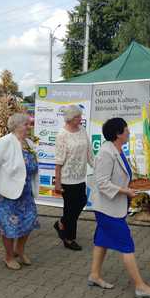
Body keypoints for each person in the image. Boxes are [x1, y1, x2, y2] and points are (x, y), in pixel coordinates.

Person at [88, 117, 150, 298]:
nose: (129, 132)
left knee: (102, 240)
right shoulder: (106, 153)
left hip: (115, 205)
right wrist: (126, 191)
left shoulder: (117, 149)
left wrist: (136, 186)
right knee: (126, 244)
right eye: (126, 130)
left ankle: (94, 275)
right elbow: (102, 183)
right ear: (118, 134)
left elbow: (121, 176)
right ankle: (140, 286)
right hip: (107, 208)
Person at [0, 113, 40, 270]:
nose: (29, 127)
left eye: (29, 124)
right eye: (26, 124)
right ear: (16, 126)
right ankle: (8, 257)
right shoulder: (4, 142)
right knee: (9, 227)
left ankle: (19, 250)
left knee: (29, 221)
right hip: (5, 192)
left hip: (25, 191)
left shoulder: (28, 143)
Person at [53, 105, 94, 251]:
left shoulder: (82, 130)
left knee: (81, 201)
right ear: (70, 119)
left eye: (80, 116)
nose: (80, 119)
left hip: (80, 176)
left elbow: (89, 151)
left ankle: (61, 224)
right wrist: (57, 183)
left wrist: (96, 166)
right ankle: (69, 239)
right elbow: (58, 161)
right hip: (67, 178)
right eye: (77, 117)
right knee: (70, 210)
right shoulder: (62, 135)